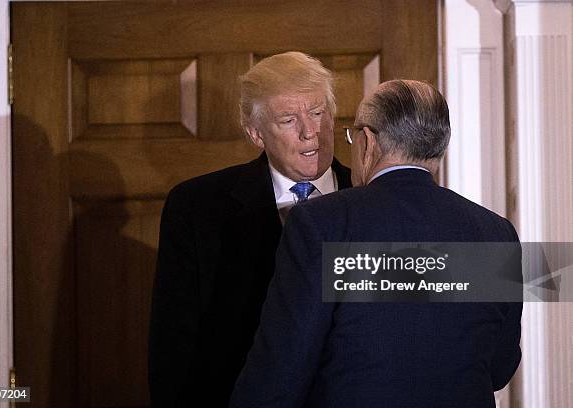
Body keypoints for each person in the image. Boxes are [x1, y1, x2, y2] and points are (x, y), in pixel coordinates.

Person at [229, 80, 523, 408]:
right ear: (438, 147)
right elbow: (499, 367)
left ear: (368, 141)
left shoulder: (322, 224)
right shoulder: (496, 233)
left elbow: (279, 373)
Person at [148, 51, 352, 407]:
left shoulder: (373, 199)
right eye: (288, 120)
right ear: (256, 133)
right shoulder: (197, 207)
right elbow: (174, 343)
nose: (310, 132)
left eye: (318, 113)